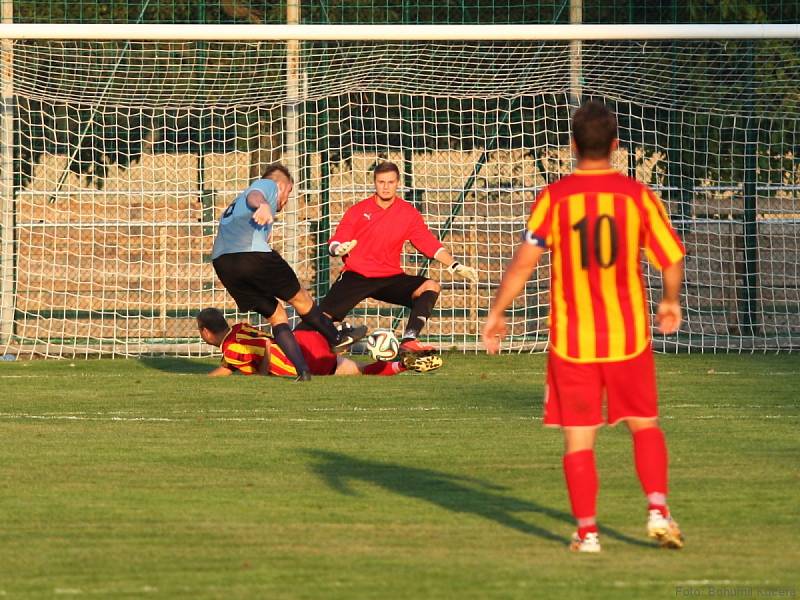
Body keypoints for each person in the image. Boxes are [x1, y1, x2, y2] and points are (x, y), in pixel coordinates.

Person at [482, 101, 685, 553]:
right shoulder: (637, 196)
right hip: (628, 335)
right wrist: (669, 301)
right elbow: (671, 256)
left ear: (572, 145)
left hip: (573, 341)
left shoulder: (555, 198)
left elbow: (522, 265)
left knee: (579, 440)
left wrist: (497, 312)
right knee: (644, 423)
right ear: (615, 146)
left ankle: (588, 534)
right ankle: (657, 509)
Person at [211, 163, 366, 381]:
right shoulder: (268, 185)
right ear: (283, 186)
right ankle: (336, 336)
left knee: (277, 315)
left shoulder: (236, 206)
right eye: (289, 193)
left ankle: (302, 371)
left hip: (223, 265)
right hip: (252, 256)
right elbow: (255, 195)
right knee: (301, 299)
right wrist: (264, 204)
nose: (285, 200)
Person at [318, 161, 478, 356]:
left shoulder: (408, 213)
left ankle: (409, 341)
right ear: (374, 183)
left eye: (390, 182)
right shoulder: (358, 210)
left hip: (390, 277)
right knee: (319, 319)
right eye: (381, 182)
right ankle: (302, 348)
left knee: (430, 286)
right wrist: (337, 248)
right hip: (357, 275)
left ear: (398, 183)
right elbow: (337, 239)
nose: (385, 186)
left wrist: (453, 264)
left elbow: (428, 243)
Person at [196, 308, 442, 378]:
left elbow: (264, 348)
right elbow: (227, 367)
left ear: (206, 332)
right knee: (359, 370)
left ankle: (341, 339)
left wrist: (263, 374)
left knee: (356, 370)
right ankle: (404, 364)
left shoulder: (232, 349)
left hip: (299, 360)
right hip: (302, 340)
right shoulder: (239, 329)